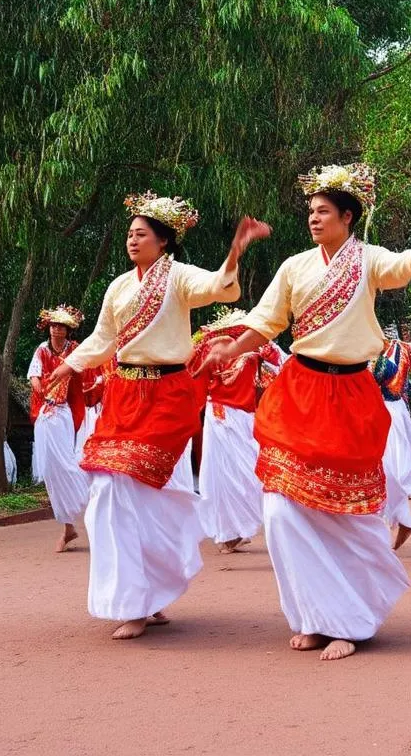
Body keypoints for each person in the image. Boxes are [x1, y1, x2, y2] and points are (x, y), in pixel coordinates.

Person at [195, 163, 411, 661]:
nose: (313, 218)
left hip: (350, 393)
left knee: (344, 512)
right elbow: (267, 320)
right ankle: (310, 614)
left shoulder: (368, 259)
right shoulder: (294, 267)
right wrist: (235, 348)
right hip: (300, 390)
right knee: (283, 510)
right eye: (310, 211)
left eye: (323, 211)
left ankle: (348, 618)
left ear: (348, 217)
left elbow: (393, 269)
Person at [46, 191, 267, 639]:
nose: (132, 239)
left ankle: (154, 588)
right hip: (124, 394)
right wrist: (71, 364)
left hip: (166, 393)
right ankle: (135, 599)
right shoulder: (119, 287)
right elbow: (103, 338)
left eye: (140, 233)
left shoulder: (179, 277)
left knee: (153, 493)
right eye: (129, 233)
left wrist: (235, 251)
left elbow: (217, 287)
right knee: (110, 489)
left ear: (163, 240)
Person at [192, 307, 278, 554]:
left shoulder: (253, 351)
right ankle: (229, 532)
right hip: (221, 417)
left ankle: (237, 529)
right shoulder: (241, 352)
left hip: (241, 417)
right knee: (220, 475)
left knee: (242, 473)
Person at [28, 305, 89, 553]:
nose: (57, 330)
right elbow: (33, 375)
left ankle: (91, 491)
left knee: (65, 463)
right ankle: (67, 526)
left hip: (65, 413)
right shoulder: (42, 350)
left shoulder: (75, 350)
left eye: (61, 326)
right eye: (54, 325)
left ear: (68, 330)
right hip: (45, 413)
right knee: (50, 470)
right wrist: (38, 387)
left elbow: (88, 369)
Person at [373, 326, 411, 549]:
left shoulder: (381, 355)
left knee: (386, 464)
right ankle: (398, 517)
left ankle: (397, 517)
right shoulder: (405, 350)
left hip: (387, 410)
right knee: (385, 465)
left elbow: (382, 375)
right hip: (389, 409)